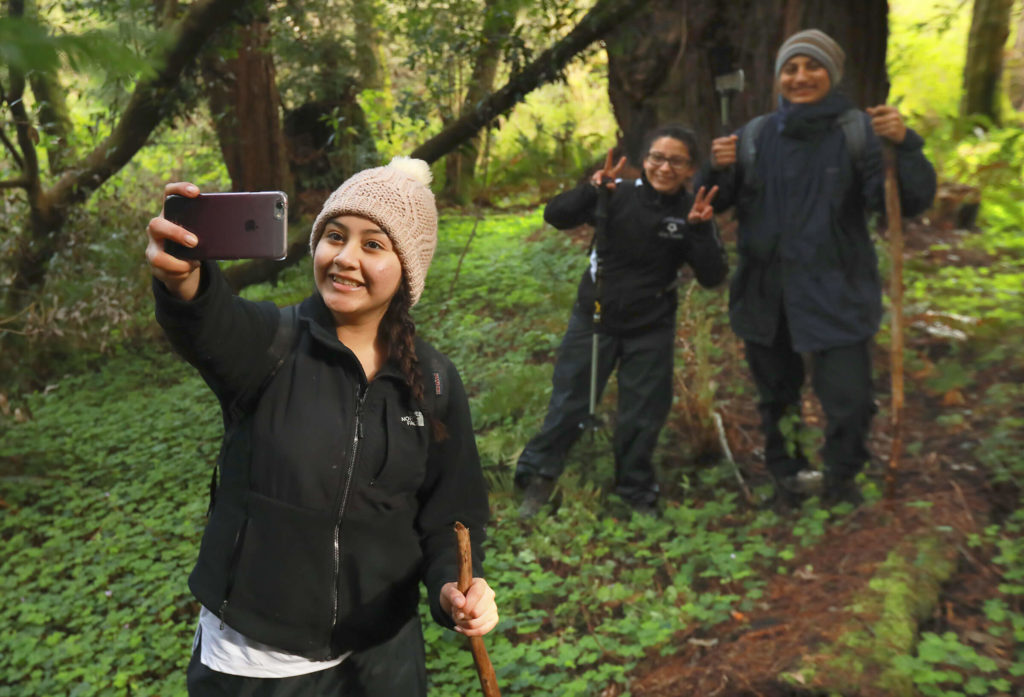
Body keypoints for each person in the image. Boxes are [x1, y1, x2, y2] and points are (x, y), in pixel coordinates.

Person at [145, 157, 498, 696]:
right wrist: (185, 278)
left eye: (373, 245)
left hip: (385, 658)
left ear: (409, 269)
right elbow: (207, 319)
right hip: (258, 666)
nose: (345, 258)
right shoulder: (268, 343)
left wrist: (454, 587)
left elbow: (452, 514)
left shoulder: (434, 382)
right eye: (335, 236)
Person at [698, 29, 937, 507]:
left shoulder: (859, 132)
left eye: (813, 66)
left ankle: (841, 478)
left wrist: (906, 145)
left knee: (848, 400)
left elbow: (907, 202)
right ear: (779, 78)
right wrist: (715, 169)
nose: (801, 77)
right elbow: (715, 203)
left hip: (838, 289)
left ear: (832, 73)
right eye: (791, 68)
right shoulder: (754, 136)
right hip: (767, 294)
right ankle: (788, 478)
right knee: (775, 398)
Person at [515, 125, 729, 518]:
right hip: (595, 317)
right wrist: (591, 190)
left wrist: (700, 232)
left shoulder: (691, 211)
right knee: (570, 402)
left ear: (690, 169)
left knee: (642, 414)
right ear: (644, 160)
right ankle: (538, 476)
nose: (665, 167)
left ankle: (635, 489)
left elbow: (713, 276)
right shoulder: (617, 195)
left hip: (651, 325)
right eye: (657, 158)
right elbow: (555, 215)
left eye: (676, 161)